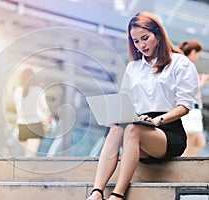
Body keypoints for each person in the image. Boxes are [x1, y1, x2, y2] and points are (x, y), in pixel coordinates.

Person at [87, 12, 198, 200]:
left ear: (158, 34)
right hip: (139, 125)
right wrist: (117, 113)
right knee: (117, 128)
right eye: (136, 41)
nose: (141, 45)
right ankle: (97, 192)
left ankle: (118, 195)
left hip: (168, 131)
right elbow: (126, 102)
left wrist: (157, 120)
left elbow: (184, 106)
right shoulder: (133, 67)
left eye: (145, 38)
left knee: (132, 129)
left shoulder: (180, 63)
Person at [179, 40, 209, 156]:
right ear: (192, 52)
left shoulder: (185, 65)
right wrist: (204, 81)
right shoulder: (187, 66)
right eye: (197, 54)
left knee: (199, 142)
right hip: (190, 109)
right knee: (191, 142)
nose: (197, 57)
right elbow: (194, 90)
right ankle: (182, 167)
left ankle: (187, 165)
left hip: (194, 110)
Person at [13, 68, 51, 157]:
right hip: (35, 125)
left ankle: (23, 170)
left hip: (22, 126)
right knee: (30, 156)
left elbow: (17, 109)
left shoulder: (17, 91)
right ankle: (25, 171)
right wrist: (47, 122)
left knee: (27, 154)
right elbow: (45, 109)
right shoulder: (38, 90)